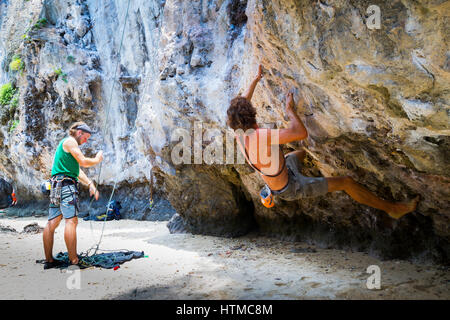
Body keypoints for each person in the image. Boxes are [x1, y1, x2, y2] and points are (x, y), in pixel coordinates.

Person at [227, 65, 419, 219]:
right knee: (347, 182)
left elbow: (243, 101)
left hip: (283, 170)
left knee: (301, 153)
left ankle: (284, 181)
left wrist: (255, 80)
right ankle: (392, 209)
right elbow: (300, 132)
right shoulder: (262, 136)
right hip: (291, 187)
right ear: (252, 114)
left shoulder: (239, 133)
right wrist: (289, 110)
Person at [42, 122, 103, 269]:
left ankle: (49, 260)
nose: (86, 141)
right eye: (86, 137)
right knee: (71, 222)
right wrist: (97, 159)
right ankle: (74, 260)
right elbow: (83, 162)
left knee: (52, 222)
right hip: (66, 186)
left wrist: (90, 184)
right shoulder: (70, 141)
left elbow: (77, 171)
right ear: (79, 132)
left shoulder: (66, 145)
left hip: (56, 185)